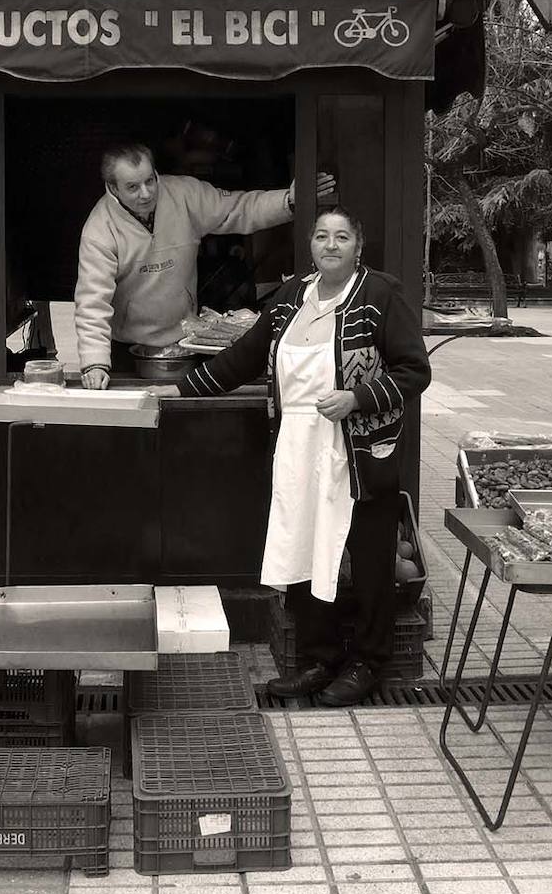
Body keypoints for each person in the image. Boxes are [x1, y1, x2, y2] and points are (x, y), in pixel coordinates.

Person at [175, 207, 431, 707]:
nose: (330, 244)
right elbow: (243, 356)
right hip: (298, 445)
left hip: (358, 450)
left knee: (371, 557)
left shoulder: (381, 296)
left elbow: (413, 371)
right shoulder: (293, 297)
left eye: (341, 236)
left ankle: (367, 662)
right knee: (306, 549)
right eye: (321, 236)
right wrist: (177, 391)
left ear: (359, 245)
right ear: (310, 245)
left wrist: (357, 398)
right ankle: (318, 659)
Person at [75, 140, 336, 388]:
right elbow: (92, 303)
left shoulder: (184, 194)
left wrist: (288, 200)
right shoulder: (100, 229)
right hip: (129, 350)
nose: (146, 193)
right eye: (132, 187)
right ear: (112, 187)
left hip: (187, 341)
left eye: (150, 181)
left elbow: (238, 209)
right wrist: (94, 364)